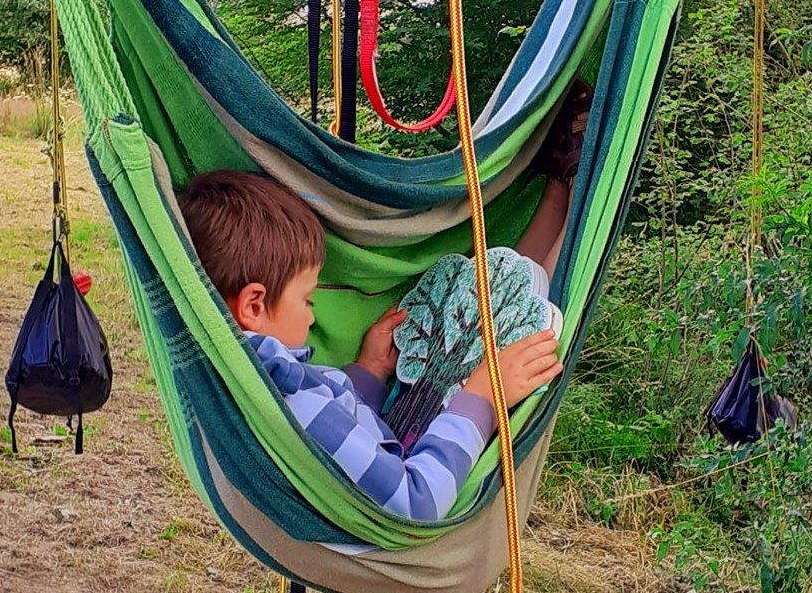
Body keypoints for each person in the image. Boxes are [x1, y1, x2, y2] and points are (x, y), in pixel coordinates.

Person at [176, 80, 590, 521]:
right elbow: (416, 501)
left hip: (402, 431)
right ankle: (580, 196)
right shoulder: (288, 403)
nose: (312, 315)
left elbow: (341, 439)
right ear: (254, 306)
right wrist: (482, 396)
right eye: (308, 299)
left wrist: (368, 372)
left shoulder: (256, 381)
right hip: (428, 474)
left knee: (488, 295)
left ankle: (558, 190)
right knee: (518, 319)